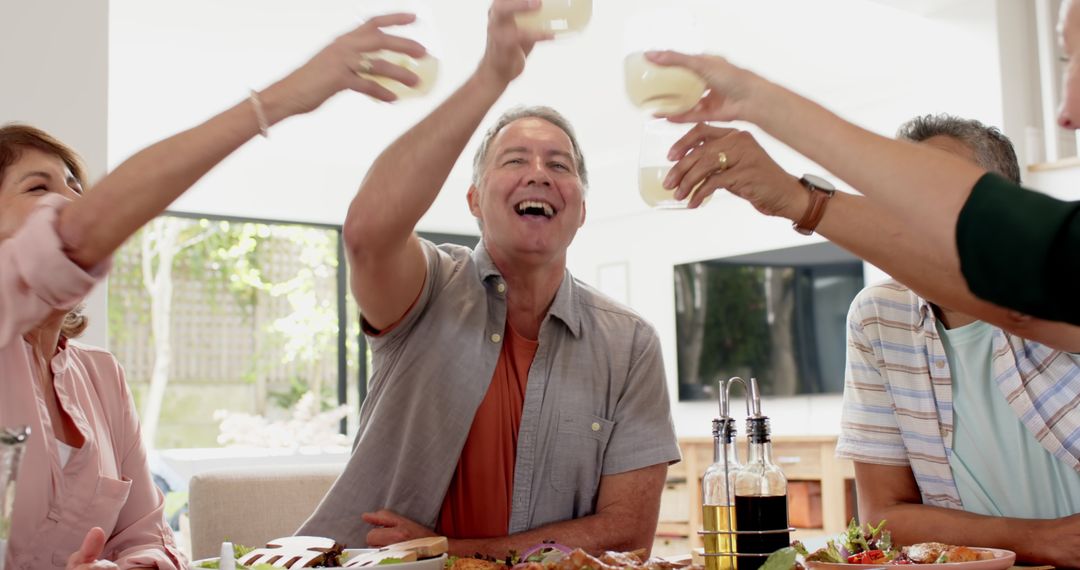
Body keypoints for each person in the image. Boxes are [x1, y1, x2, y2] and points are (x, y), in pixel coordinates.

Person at [0, 14, 427, 569]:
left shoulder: (100, 377)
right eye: (39, 188)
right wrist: (279, 99)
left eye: (76, 187)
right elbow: (77, 235)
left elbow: (152, 537)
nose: (72, 202)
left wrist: (132, 565)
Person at [299, 0, 680, 556]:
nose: (538, 174)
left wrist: (456, 552)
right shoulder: (427, 289)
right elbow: (368, 231)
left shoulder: (630, 344)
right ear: (474, 200)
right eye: (514, 160)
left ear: (581, 209)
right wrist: (492, 74)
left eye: (559, 164)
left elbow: (627, 535)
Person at [644, 0, 1080, 327]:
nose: (1066, 111)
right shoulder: (881, 317)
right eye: (1067, 59)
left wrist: (760, 105)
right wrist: (795, 194)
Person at [829, 115, 1080, 568]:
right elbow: (883, 517)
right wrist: (1040, 539)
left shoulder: (1061, 282)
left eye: (938, 190)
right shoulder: (878, 316)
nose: (913, 209)